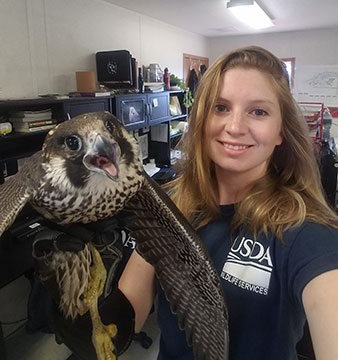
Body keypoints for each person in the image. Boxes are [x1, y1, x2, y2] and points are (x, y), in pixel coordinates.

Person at [119, 46, 338, 360]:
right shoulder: (168, 208)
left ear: (280, 132)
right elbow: (122, 324)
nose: (235, 127)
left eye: (258, 111)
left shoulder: (305, 231)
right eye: (220, 107)